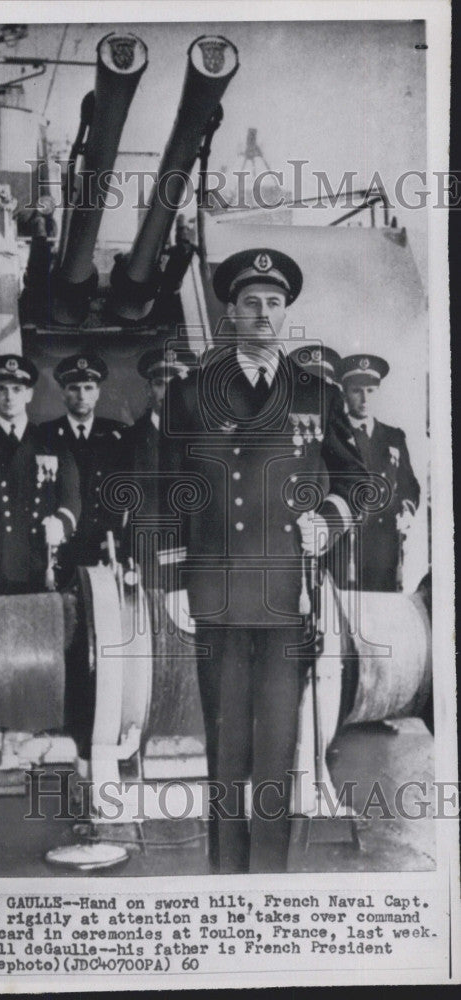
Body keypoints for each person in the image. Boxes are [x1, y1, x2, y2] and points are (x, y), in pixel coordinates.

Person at [159, 248, 368, 873]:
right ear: (230, 310)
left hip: (286, 592)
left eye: (274, 303)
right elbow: (164, 484)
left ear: (286, 312)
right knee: (227, 744)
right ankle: (227, 872)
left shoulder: (317, 392)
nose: (264, 313)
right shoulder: (191, 391)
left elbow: (357, 482)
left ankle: (268, 878)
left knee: (277, 743)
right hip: (217, 590)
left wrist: (327, 521)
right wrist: (172, 578)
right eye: (251, 302)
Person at [0, 354, 80, 598]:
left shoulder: (52, 441)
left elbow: (72, 497)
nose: (9, 396)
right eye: (1, 389)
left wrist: (62, 523)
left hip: (38, 563)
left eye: (17, 389)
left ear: (29, 394)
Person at [332, 353, 420, 592]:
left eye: (370, 391)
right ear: (344, 394)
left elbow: (409, 485)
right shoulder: (333, 436)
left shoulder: (394, 437)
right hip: (344, 545)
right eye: (356, 391)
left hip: (384, 545)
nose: (364, 399)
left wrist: (407, 512)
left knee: (383, 615)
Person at [39, 353, 127, 581]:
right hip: (63, 547)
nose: (81, 395)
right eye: (73, 388)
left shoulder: (118, 434)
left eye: (88, 388)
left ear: (98, 393)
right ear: (62, 393)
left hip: (106, 546)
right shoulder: (44, 434)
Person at [121, 346, 197, 585]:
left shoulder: (207, 442)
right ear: (148, 389)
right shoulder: (126, 442)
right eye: (160, 384)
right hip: (147, 566)